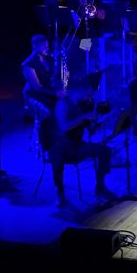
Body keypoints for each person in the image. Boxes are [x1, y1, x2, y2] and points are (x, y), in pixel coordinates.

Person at [45, 77, 116, 207]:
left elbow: (90, 130)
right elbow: (64, 127)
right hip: (61, 147)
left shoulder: (76, 105)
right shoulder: (62, 105)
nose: (83, 94)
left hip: (77, 145)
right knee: (57, 161)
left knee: (104, 150)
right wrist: (83, 117)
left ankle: (100, 187)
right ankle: (60, 193)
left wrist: (101, 120)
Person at [21, 34, 66, 119]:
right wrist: (56, 94)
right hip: (33, 97)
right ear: (35, 46)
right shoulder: (27, 65)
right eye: (43, 46)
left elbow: (56, 75)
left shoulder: (49, 59)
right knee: (47, 114)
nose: (47, 48)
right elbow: (38, 88)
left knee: (65, 105)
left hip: (47, 94)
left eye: (47, 46)